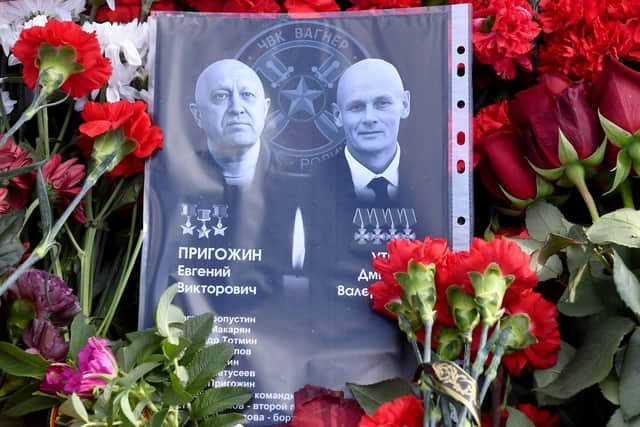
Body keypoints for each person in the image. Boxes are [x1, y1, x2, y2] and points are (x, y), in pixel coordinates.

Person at [331, 58, 411, 203]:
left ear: (405, 105)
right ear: (337, 115)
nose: (369, 118)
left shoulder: (436, 178)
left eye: (382, 103)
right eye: (356, 106)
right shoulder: (306, 188)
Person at [189, 59, 271, 187]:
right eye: (221, 96)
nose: (237, 109)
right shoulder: (173, 178)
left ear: (265, 110)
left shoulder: (301, 178)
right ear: (198, 114)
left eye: (247, 94)